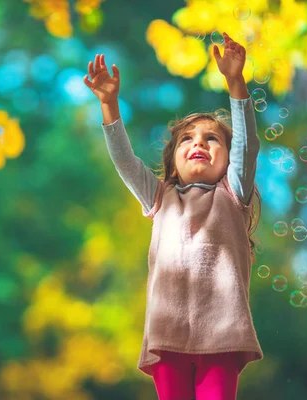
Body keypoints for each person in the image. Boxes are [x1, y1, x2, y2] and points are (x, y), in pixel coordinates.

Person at [83, 32, 263, 400]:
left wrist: (235, 82)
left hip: (223, 332)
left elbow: (247, 144)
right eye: (187, 139)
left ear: (229, 160)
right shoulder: (160, 196)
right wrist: (109, 106)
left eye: (212, 139)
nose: (198, 142)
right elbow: (124, 161)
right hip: (167, 334)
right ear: (173, 163)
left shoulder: (233, 194)